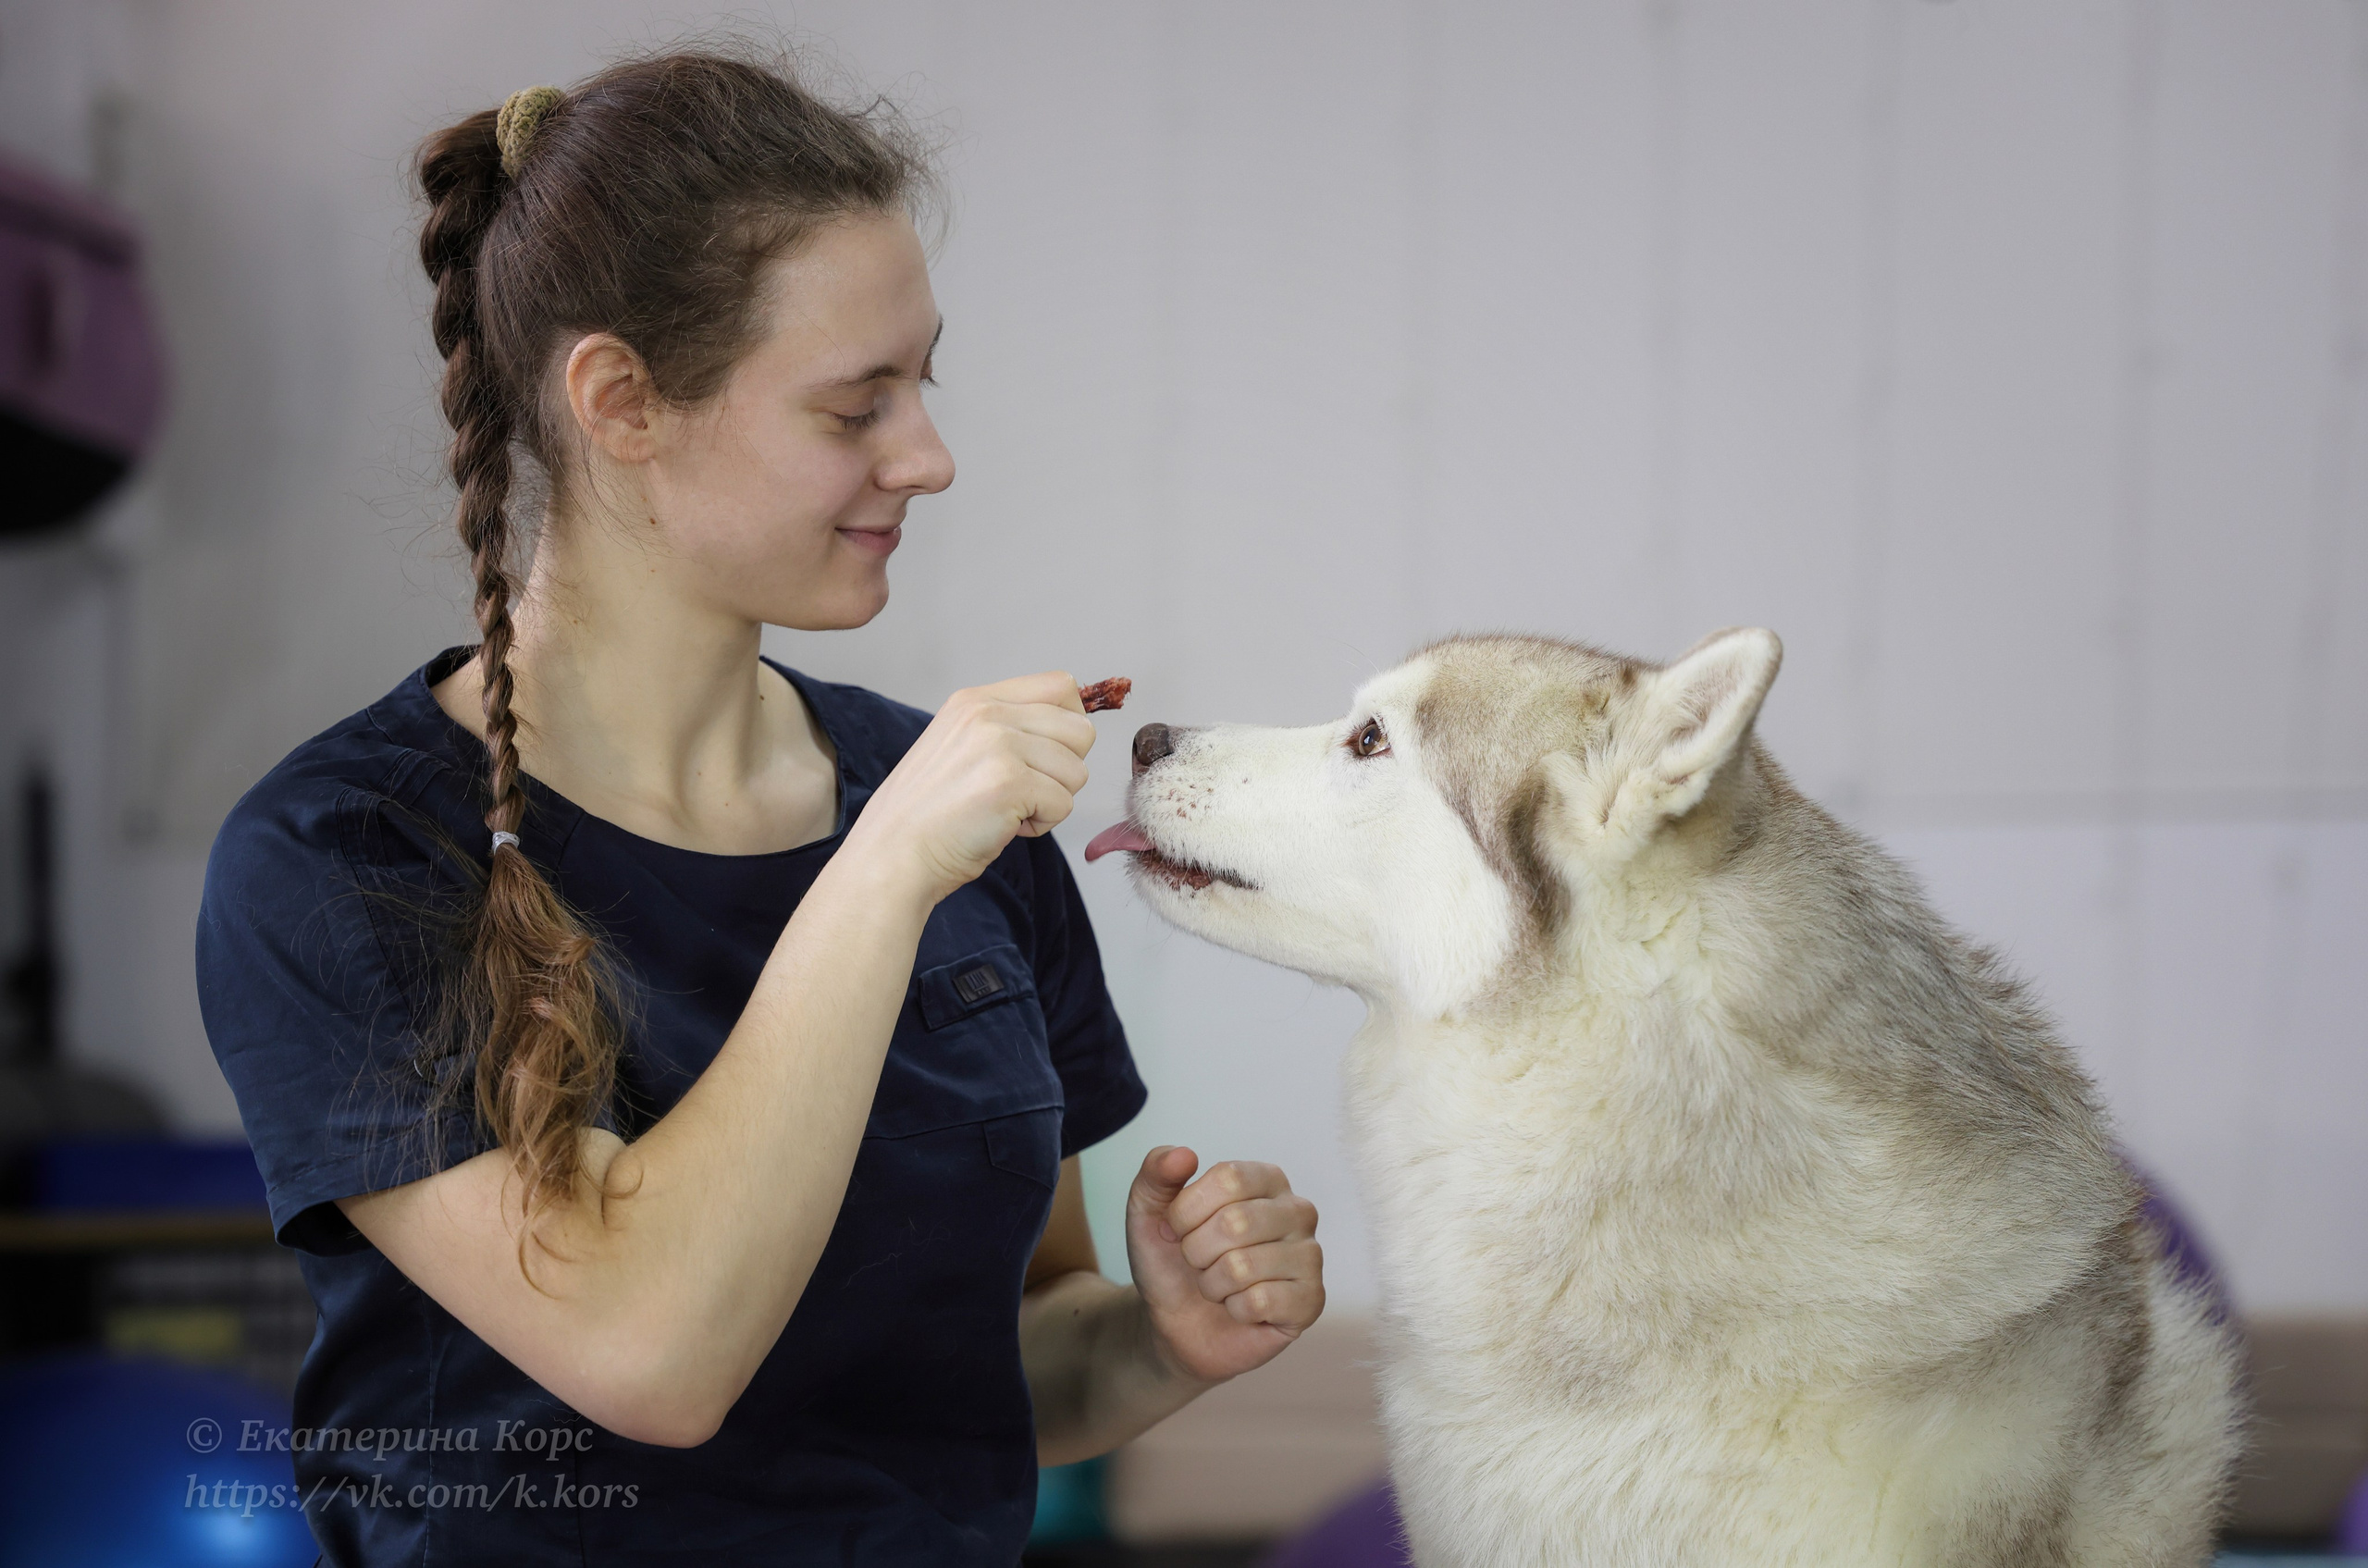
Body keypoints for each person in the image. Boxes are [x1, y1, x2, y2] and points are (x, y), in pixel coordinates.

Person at [195, 48, 1324, 1566]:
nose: (928, 458)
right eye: (855, 408)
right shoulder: (343, 856)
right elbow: (650, 1351)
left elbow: (1003, 1355)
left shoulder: (953, 820)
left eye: (923, 384)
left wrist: (1158, 1340)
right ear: (621, 403)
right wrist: (883, 867)